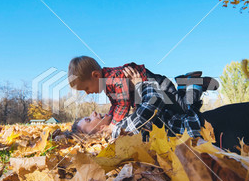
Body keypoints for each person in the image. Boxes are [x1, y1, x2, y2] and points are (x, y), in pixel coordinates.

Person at [72, 67, 249, 151]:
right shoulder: (120, 132)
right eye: (88, 120)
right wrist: (140, 82)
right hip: (214, 129)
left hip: (212, 133)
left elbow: (165, 111)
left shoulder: (121, 118)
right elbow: (151, 105)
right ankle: (191, 85)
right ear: (93, 137)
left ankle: (191, 85)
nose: (94, 112)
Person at [68, 56, 219, 133]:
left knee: (184, 107)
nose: (87, 93)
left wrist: (113, 125)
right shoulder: (108, 84)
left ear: (95, 75)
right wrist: (111, 119)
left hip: (158, 86)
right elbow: (116, 106)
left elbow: (123, 104)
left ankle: (192, 82)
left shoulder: (113, 80)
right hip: (151, 92)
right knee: (176, 107)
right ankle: (183, 84)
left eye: (86, 88)